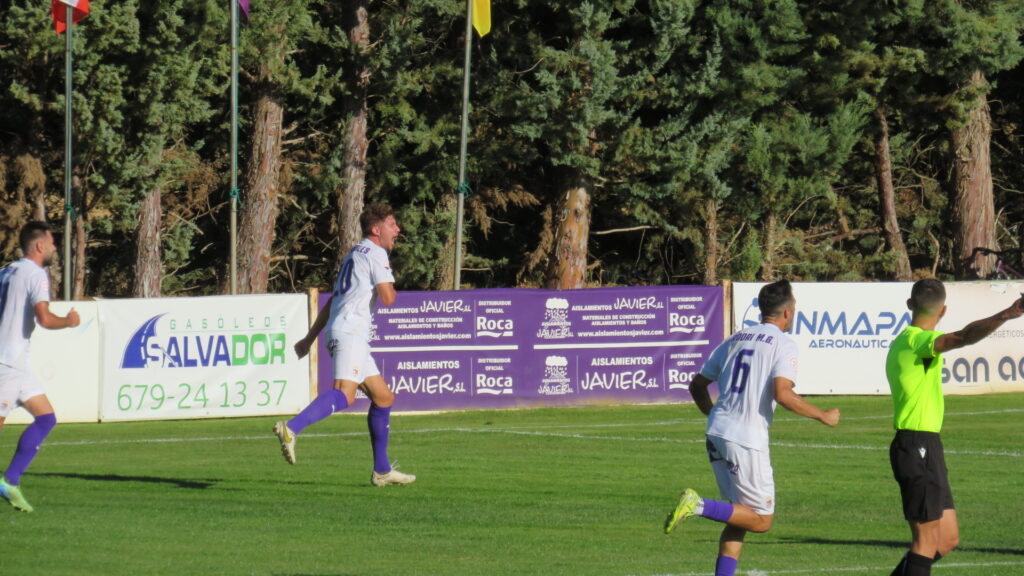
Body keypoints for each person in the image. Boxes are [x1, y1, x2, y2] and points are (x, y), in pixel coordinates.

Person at [663, 279, 840, 576]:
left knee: (739, 517)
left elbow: (697, 385)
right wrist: (822, 414)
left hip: (717, 432)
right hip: (745, 439)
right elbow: (784, 394)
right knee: (761, 520)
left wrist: (714, 415)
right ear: (787, 312)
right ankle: (698, 506)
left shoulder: (736, 338)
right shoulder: (783, 344)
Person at [885, 279, 1023, 576]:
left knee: (946, 539)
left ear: (910, 305)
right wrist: (1006, 315)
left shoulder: (908, 342)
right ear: (944, 310)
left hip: (927, 446)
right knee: (925, 542)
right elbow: (962, 338)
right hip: (914, 443)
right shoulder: (915, 340)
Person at [273, 204, 415, 486]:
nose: (397, 229)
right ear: (376, 229)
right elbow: (388, 298)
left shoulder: (355, 253)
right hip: (351, 332)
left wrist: (309, 338)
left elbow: (333, 303)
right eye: (392, 224)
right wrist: (388, 278)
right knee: (344, 394)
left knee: (383, 397)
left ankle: (382, 470)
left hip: (347, 332)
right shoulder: (375, 253)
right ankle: (291, 428)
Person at [0, 221, 80, 512]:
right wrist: (69, 322)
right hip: (5, 362)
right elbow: (44, 319)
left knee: (46, 418)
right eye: (52, 241)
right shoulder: (36, 274)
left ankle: (10, 481)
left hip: (16, 361)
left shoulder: (7, 271)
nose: (55, 246)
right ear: (39, 245)